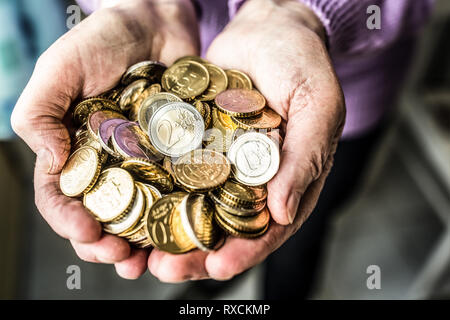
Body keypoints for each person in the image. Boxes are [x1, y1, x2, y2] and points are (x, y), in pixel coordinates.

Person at [10, 0, 433, 299]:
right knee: (213, 255)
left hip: (337, 86)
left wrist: (297, 11)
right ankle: (209, 289)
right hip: (168, 40)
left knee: (305, 230)